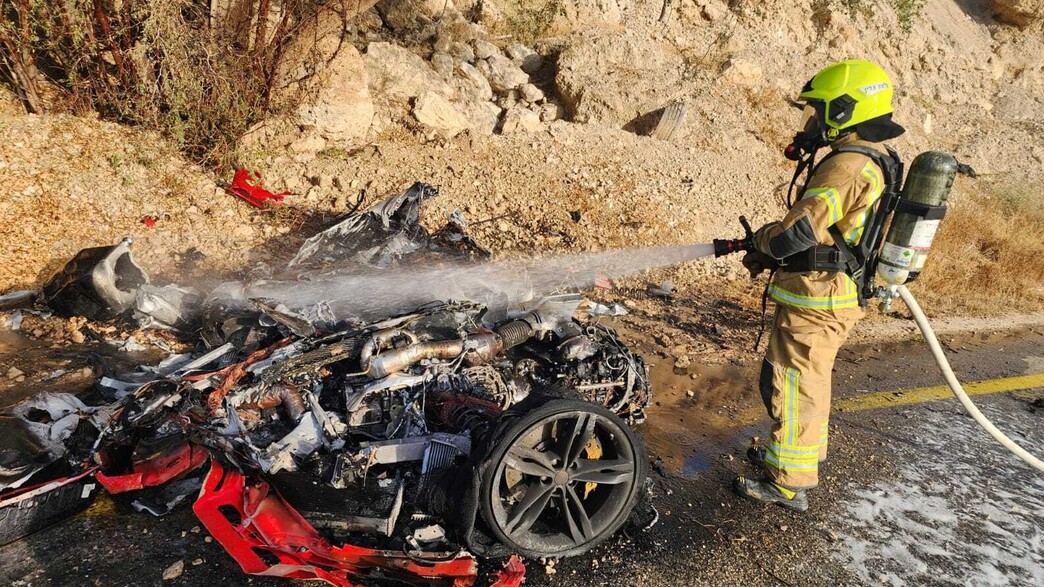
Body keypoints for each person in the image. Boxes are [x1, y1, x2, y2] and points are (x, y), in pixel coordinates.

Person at [734, 59, 906, 512]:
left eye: (819, 111)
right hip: (823, 292)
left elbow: (800, 231)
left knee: (795, 384)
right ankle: (792, 457)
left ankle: (788, 482)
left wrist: (763, 241)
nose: (811, 121)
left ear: (845, 109)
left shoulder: (849, 164)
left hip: (819, 297)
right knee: (802, 381)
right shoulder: (870, 157)